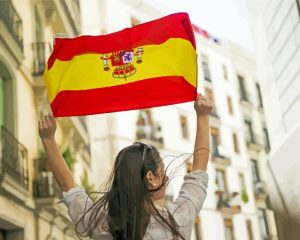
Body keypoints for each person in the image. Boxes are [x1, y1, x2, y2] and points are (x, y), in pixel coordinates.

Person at [38, 93, 213, 240]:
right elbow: (199, 170)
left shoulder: (103, 226)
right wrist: (203, 117)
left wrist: (48, 140)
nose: (166, 178)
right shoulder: (178, 219)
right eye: (162, 172)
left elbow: (67, 186)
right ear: (150, 178)